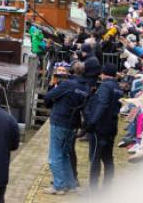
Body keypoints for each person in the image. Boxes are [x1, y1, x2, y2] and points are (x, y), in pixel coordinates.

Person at [43, 63, 90, 195]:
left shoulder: (68, 84)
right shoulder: (86, 88)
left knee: (55, 155)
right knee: (65, 154)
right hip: (74, 123)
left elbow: (48, 96)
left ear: (71, 72)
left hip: (60, 121)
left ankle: (58, 186)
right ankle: (71, 184)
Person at [83, 62, 122, 189]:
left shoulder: (105, 87)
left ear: (104, 74)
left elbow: (103, 105)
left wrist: (92, 123)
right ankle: (107, 187)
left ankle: (93, 189)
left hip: (100, 127)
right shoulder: (118, 87)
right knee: (108, 158)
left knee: (95, 158)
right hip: (112, 126)